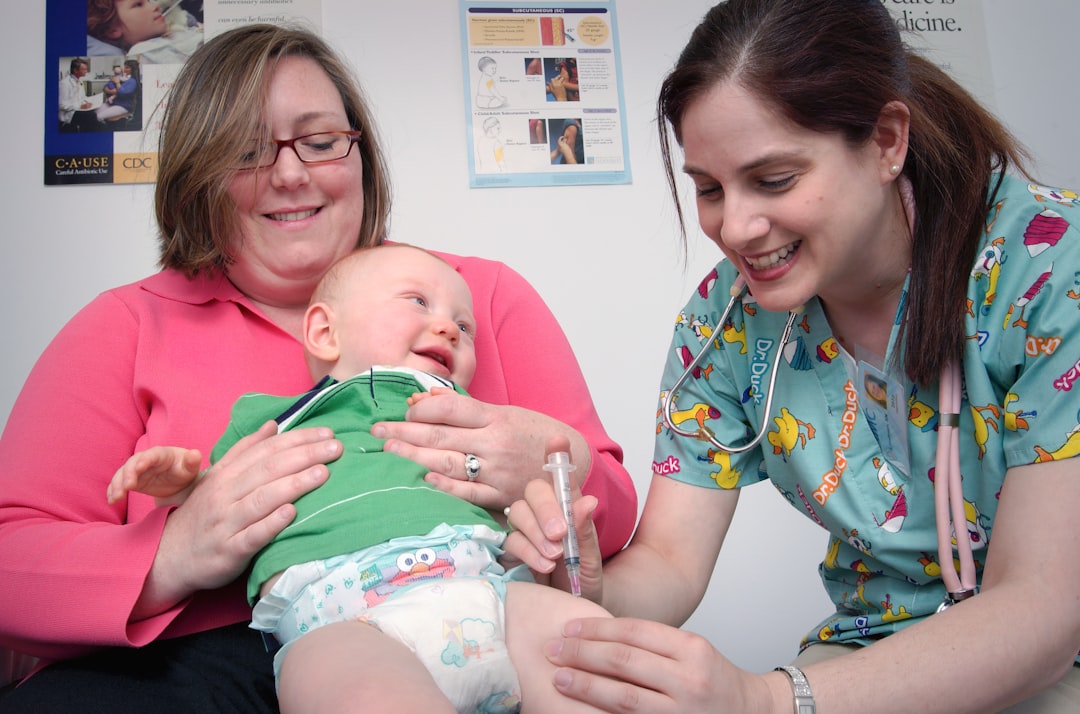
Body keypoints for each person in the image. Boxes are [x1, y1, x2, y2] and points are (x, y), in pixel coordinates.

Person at [0, 23, 635, 711]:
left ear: (359, 153)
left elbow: (617, 516)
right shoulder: (123, 326)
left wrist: (548, 465)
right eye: (246, 151)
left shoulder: (476, 296)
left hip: (477, 605)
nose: (291, 172)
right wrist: (173, 553)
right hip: (199, 664)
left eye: (322, 141)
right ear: (197, 176)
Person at [507, 0, 1080, 711]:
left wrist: (770, 702)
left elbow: (1046, 609)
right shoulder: (726, 322)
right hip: (868, 655)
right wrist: (593, 585)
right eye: (710, 189)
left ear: (886, 141)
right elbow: (670, 564)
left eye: (774, 180)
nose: (738, 228)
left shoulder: (1051, 267)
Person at [106, 244, 611, 713]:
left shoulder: (474, 423)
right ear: (326, 332)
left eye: (465, 325)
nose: (452, 329)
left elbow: (521, 516)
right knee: (364, 694)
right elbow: (224, 508)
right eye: (419, 302)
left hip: (490, 592)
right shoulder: (273, 420)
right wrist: (181, 485)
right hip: (340, 618)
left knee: (591, 649)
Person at [86, 0, 203, 63]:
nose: (156, 6)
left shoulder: (175, 32)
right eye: (138, 4)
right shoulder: (145, 53)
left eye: (148, 1)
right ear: (112, 30)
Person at [95, 59, 139, 123]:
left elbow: (122, 93)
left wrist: (117, 83)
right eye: (124, 67)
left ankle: (103, 130)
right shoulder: (121, 76)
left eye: (127, 68)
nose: (124, 69)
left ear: (133, 69)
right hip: (112, 103)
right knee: (94, 114)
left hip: (123, 105)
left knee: (99, 117)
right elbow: (105, 88)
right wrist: (110, 90)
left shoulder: (132, 81)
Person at [57, 57, 92, 132]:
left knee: (93, 113)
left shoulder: (79, 81)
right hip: (68, 115)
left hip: (77, 110)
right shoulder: (64, 83)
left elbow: (82, 97)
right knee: (91, 117)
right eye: (84, 69)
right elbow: (61, 105)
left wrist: (89, 101)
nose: (86, 71)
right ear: (75, 70)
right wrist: (80, 106)